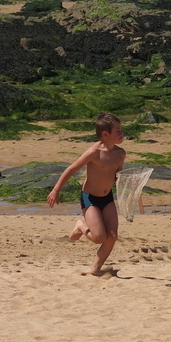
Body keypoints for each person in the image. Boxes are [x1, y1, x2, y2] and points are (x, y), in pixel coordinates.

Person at [47, 112, 126, 276]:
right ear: (105, 134)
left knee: (112, 236)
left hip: (107, 197)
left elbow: (118, 175)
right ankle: (80, 226)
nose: (121, 133)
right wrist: (56, 190)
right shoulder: (93, 152)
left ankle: (96, 268)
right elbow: (71, 169)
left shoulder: (120, 154)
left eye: (121, 129)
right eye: (117, 130)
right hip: (89, 198)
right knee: (98, 237)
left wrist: (128, 182)